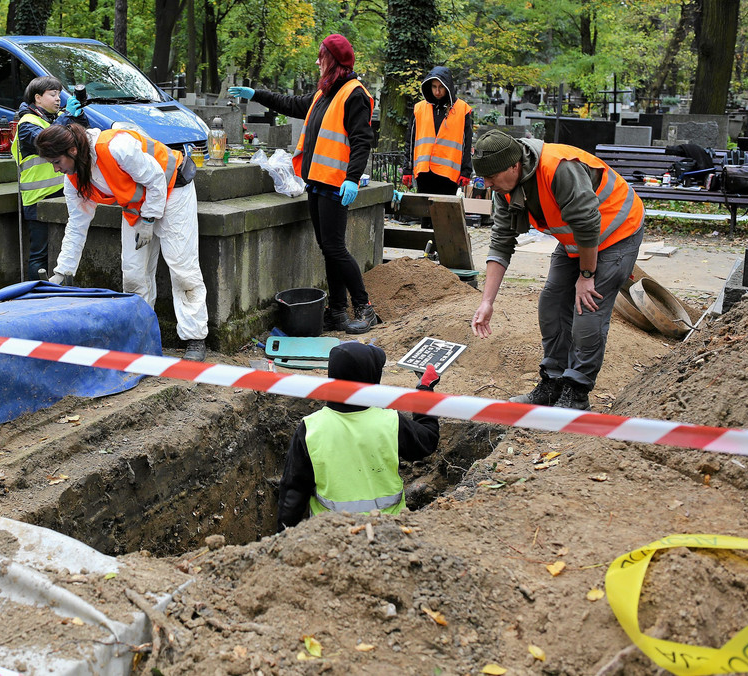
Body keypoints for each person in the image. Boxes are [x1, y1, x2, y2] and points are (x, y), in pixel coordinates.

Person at [470, 130, 645, 411]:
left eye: (492, 178)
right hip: (577, 238)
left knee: (587, 309)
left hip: (616, 231)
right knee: (551, 303)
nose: (489, 185)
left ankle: (576, 393)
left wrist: (586, 276)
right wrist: (487, 302)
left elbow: (589, 225)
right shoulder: (504, 187)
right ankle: (553, 382)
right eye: (484, 179)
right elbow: (501, 241)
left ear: (514, 165)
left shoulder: (559, 169)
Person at [229, 34, 379, 335]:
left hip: (336, 183)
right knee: (328, 248)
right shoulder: (326, 93)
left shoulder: (354, 94)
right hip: (317, 181)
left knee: (335, 248)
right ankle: (337, 311)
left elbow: (363, 140)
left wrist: (351, 178)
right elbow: (293, 104)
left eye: (321, 56)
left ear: (333, 61)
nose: (316, 62)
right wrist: (256, 94)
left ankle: (364, 307)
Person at [35, 123, 209, 362]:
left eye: (56, 162)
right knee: (134, 273)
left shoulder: (115, 147)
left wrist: (149, 219)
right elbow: (76, 225)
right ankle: (142, 336)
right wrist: (62, 271)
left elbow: (157, 178)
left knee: (182, 268)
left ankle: (195, 337)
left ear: (72, 151)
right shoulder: (74, 179)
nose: (56, 169)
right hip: (138, 206)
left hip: (173, 187)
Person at [277, 343, 441, 531]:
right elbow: (427, 440)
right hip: (390, 533)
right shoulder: (390, 422)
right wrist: (425, 391)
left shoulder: (310, 428)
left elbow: (294, 490)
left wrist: (282, 538)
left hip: (331, 536)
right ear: (371, 378)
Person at [13, 75, 84, 281]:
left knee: (60, 251)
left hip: (58, 194)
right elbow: (50, 141)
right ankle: (36, 294)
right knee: (40, 255)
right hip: (38, 198)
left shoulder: (51, 119)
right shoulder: (27, 124)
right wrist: (67, 116)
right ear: (37, 98)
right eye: (52, 94)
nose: (58, 99)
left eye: (59, 95)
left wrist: (77, 116)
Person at [402, 67, 473, 227]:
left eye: (441, 87)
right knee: (426, 216)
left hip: (448, 173)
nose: (437, 91)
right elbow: (411, 140)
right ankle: (428, 251)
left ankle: (442, 250)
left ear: (448, 86)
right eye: (434, 87)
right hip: (424, 171)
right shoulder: (419, 108)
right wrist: (407, 169)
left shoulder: (462, 110)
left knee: (444, 218)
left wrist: (466, 170)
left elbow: (467, 143)